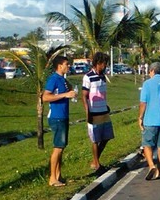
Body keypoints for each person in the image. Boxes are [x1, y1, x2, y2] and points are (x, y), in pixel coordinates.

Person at [43, 56, 77, 187]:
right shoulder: (53, 79)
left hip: (63, 116)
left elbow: (68, 89)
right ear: (59, 66)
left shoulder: (62, 79)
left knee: (61, 147)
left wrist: (70, 90)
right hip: (56, 117)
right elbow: (45, 97)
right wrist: (65, 95)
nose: (68, 67)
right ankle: (52, 177)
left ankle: (58, 175)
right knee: (57, 148)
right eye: (66, 64)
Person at [82, 52, 114, 171]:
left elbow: (101, 94)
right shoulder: (88, 77)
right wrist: (88, 112)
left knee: (107, 136)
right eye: (103, 64)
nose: (105, 66)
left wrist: (106, 105)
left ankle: (95, 160)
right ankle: (96, 163)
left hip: (104, 111)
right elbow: (84, 96)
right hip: (94, 112)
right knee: (95, 139)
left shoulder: (103, 77)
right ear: (97, 63)